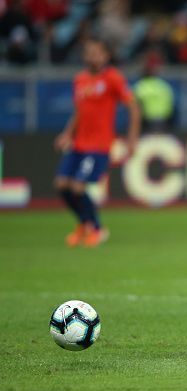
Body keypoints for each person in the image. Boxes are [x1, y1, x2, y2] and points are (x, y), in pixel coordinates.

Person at [54, 36, 140, 247]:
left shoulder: (113, 78)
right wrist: (67, 133)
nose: (93, 56)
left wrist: (131, 139)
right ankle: (84, 223)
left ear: (105, 55)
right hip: (78, 144)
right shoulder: (80, 79)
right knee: (61, 185)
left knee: (77, 187)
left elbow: (133, 107)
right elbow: (79, 111)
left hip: (98, 146)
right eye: (89, 52)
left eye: (97, 52)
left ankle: (97, 228)